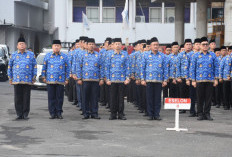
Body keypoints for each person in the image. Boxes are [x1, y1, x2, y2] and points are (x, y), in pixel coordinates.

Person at [8, 36, 37, 120]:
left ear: (25, 45)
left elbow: (34, 66)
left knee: (26, 97)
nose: (21, 45)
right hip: (16, 80)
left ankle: (25, 114)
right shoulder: (13, 55)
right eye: (20, 44)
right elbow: (10, 67)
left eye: (23, 44)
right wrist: (10, 78)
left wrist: (34, 77)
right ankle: (19, 114)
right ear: (17, 46)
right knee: (18, 97)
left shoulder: (31, 54)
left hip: (27, 80)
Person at [74, 38, 104, 119]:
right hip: (85, 79)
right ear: (87, 45)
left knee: (94, 97)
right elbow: (78, 67)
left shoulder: (98, 55)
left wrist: (101, 79)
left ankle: (94, 113)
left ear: (94, 45)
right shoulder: (82, 55)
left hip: (95, 80)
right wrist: (79, 78)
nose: (91, 46)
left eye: (92, 44)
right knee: (85, 97)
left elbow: (101, 67)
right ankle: (85, 113)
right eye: (89, 44)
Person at [140, 37, 168, 120]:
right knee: (149, 98)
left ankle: (156, 114)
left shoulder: (163, 56)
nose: (156, 46)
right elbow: (142, 68)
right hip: (149, 80)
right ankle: (150, 114)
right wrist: (142, 79)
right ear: (150, 46)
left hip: (159, 80)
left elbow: (165, 69)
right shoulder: (146, 55)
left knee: (157, 98)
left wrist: (165, 80)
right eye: (154, 45)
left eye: (157, 45)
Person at [191, 37, 218, 121]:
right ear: (200, 46)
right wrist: (193, 80)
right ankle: (200, 113)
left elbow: (216, 67)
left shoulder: (212, 55)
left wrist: (216, 79)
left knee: (208, 98)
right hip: (199, 80)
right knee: (200, 98)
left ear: (208, 45)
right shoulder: (196, 55)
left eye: (206, 44)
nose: (205, 46)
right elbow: (192, 68)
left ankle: (207, 113)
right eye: (203, 44)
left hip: (210, 80)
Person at [42, 40, 70, 119]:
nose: (56, 47)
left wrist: (67, 78)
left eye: (58, 46)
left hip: (60, 81)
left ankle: (59, 112)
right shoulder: (48, 56)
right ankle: (52, 113)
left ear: (60, 47)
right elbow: (44, 67)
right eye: (55, 46)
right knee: (51, 97)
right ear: (52, 47)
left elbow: (67, 68)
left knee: (60, 98)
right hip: (50, 80)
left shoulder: (64, 56)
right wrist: (43, 76)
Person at [105, 38, 130, 120]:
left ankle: (121, 113)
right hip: (112, 80)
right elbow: (107, 67)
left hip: (122, 80)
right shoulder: (109, 54)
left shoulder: (125, 54)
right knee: (112, 97)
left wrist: (127, 78)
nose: (117, 45)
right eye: (116, 44)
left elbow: (127, 67)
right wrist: (107, 79)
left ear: (121, 45)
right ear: (113, 45)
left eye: (119, 44)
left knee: (121, 98)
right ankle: (113, 113)